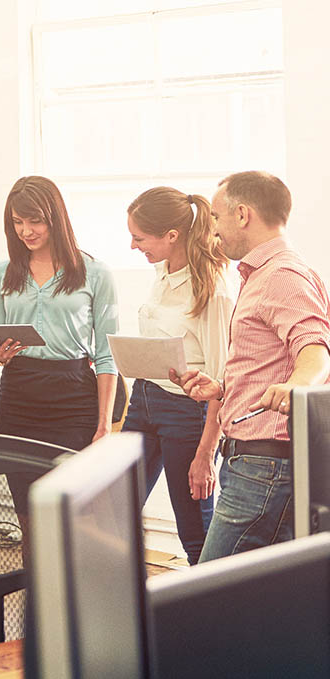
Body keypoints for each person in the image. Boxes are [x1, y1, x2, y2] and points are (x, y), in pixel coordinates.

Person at [173, 171, 330, 562]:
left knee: (208, 594)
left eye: (215, 217)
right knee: (265, 598)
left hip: (264, 469)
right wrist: (224, 389)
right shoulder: (262, 274)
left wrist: (298, 385)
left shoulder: (281, 274)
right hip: (255, 464)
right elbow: (270, 361)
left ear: (242, 214)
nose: (212, 230)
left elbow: (315, 349)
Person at [0, 176, 119, 547]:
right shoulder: (0, 273)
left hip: (73, 396)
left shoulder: (96, 273)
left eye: (35, 221)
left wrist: (104, 424)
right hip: (18, 396)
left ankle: (70, 602)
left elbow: (107, 354)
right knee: (28, 519)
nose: (26, 231)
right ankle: (36, 603)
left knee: (71, 517)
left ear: (55, 218)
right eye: (17, 222)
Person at [122, 187, 233, 565]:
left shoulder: (213, 291)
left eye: (139, 237)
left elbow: (222, 382)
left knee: (195, 531)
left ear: (171, 235)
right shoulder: (162, 273)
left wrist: (206, 455)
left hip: (187, 413)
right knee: (115, 508)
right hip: (143, 400)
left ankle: (212, 615)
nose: (134, 246)